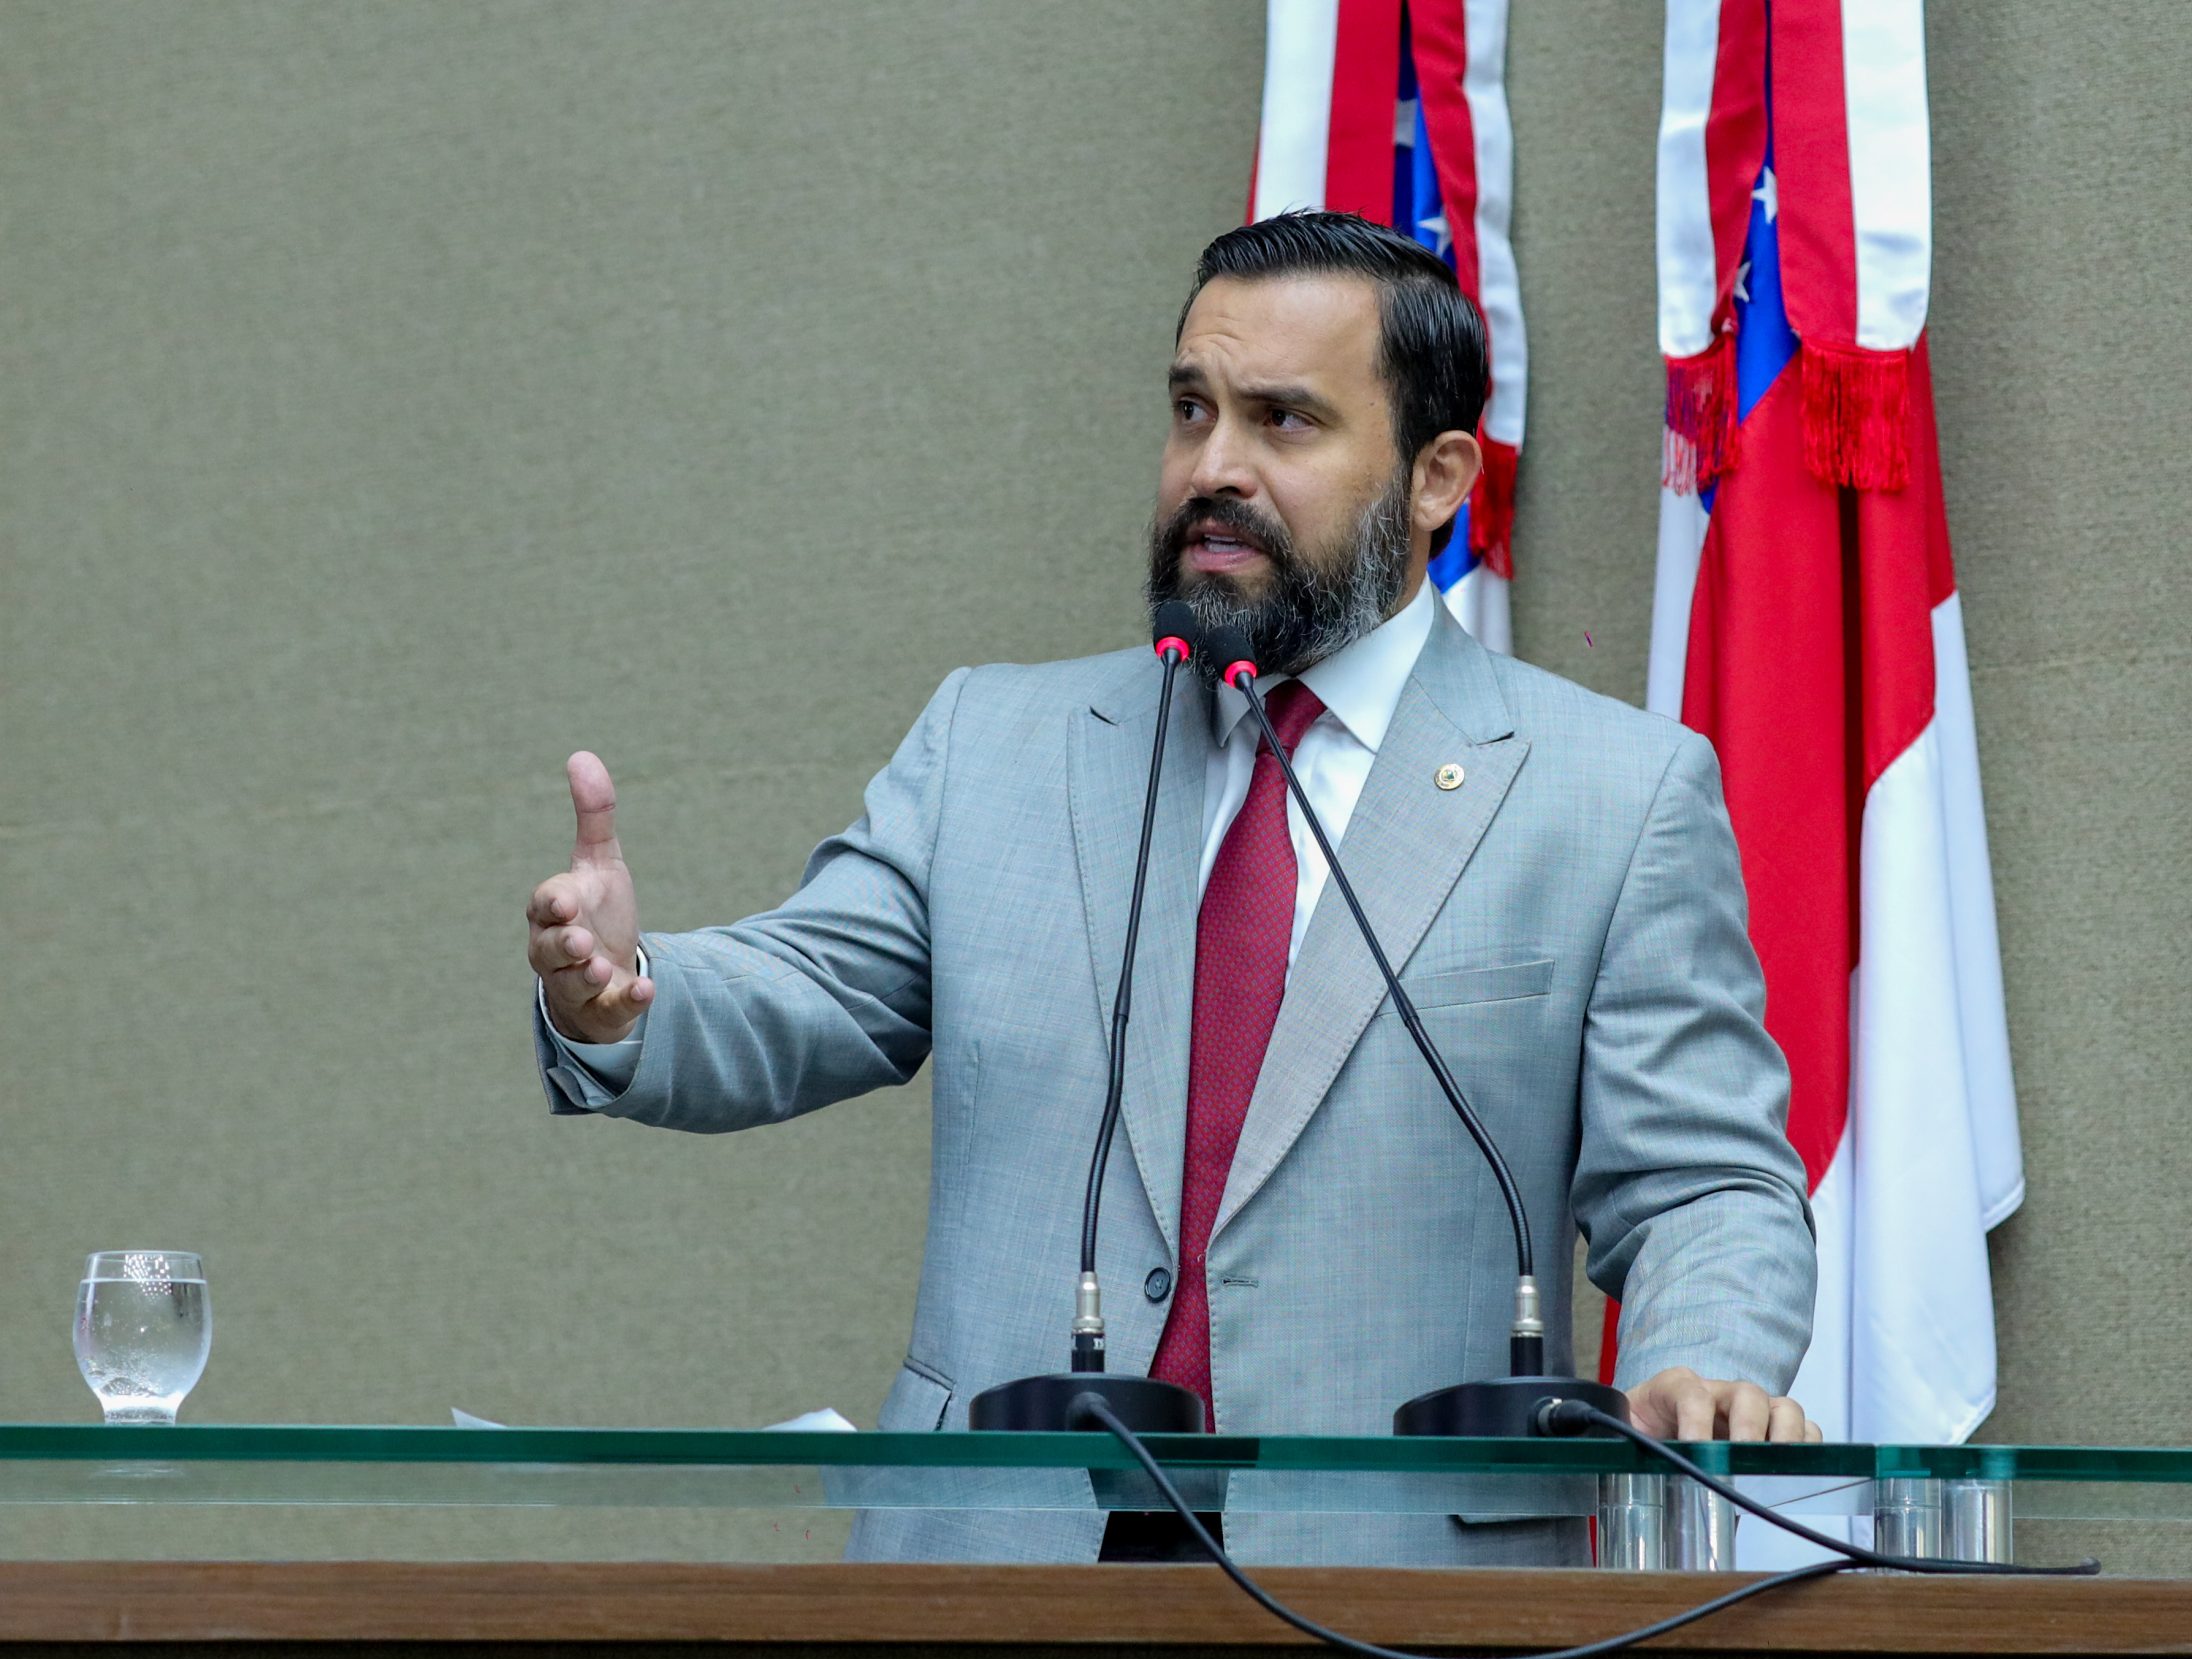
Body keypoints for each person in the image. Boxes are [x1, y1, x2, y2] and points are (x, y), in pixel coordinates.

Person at [523, 211, 1817, 1566]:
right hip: (1005, 1573)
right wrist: (626, 991)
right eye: (1191, 410)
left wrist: (1704, 1360)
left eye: (1284, 423)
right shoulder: (996, 742)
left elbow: (1704, 1186)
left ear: (1437, 479)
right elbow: (810, 989)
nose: (1216, 468)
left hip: (1410, 1594)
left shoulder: (1609, 793)